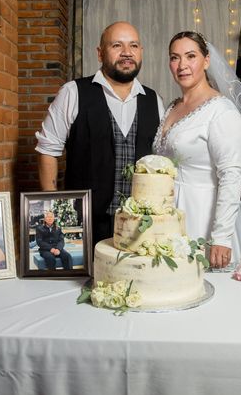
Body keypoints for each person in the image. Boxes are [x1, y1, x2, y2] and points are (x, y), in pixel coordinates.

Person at [35, 21, 165, 246]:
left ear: (141, 52)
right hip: (84, 220)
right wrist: (55, 208)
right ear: (100, 53)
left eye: (133, 46)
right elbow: (48, 150)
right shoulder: (73, 92)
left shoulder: (155, 101)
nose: (127, 53)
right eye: (117, 45)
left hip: (139, 226)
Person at [153, 31, 241, 270]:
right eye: (175, 58)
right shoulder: (173, 107)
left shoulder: (221, 111)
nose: (182, 65)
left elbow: (231, 175)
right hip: (171, 216)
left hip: (205, 216)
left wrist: (221, 237)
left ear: (206, 61)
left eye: (190, 56)